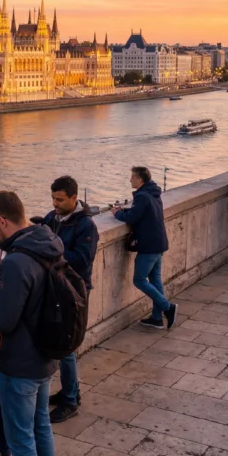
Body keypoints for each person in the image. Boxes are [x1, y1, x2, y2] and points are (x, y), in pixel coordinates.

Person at [0, 191, 61, 456]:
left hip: (20, 363)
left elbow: (3, 319)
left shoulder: (16, 259)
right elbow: (33, 291)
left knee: (21, 438)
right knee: (41, 427)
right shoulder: (47, 243)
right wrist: (7, 283)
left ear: (2, 221)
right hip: (45, 356)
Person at [39, 176, 98, 423]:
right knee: (62, 347)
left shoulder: (86, 227)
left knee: (67, 348)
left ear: (74, 198)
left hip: (74, 292)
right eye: (53, 198)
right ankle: (69, 390)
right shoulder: (51, 218)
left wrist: (53, 252)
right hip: (54, 291)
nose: (54, 203)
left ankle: (71, 401)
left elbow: (82, 259)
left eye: (59, 199)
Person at [112, 167, 177, 329]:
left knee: (139, 280)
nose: (130, 180)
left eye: (132, 177)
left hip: (148, 245)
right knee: (155, 280)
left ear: (140, 180)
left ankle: (168, 307)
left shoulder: (141, 196)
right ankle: (156, 318)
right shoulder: (154, 193)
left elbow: (131, 218)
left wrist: (116, 213)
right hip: (159, 242)